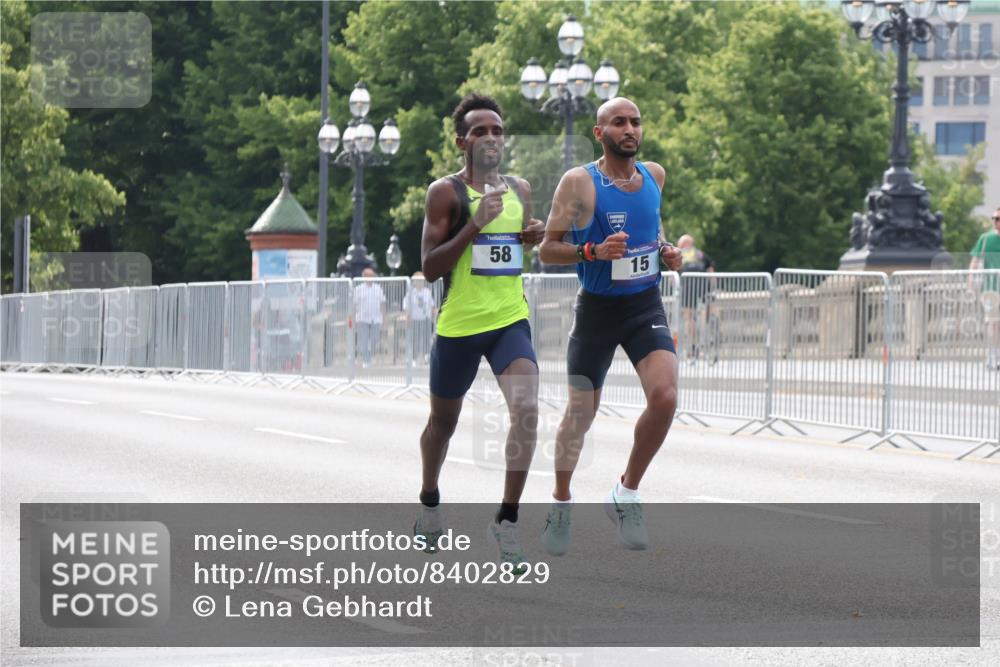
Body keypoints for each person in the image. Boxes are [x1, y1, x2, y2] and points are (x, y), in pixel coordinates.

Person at [538, 97, 683, 555]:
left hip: (644, 305)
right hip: (597, 310)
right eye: (619, 122)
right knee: (580, 414)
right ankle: (560, 504)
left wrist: (665, 252)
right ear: (600, 132)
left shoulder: (654, 176)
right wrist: (591, 252)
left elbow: (651, 231)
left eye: (636, 121)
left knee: (665, 397)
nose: (630, 129)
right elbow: (546, 248)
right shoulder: (580, 182)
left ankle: (626, 494)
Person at [415, 93, 545, 571]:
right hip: (461, 326)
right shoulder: (445, 193)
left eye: (497, 130)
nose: (491, 137)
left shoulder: (521, 188)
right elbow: (430, 268)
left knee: (528, 409)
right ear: (461, 142)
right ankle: (429, 499)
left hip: (509, 320)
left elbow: (514, 250)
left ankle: (507, 522)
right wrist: (475, 224)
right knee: (441, 427)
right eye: (480, 131)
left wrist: (530, 237)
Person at [677, 234, 716, 361]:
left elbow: (674, 274)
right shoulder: (701, 254)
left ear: (683, 245)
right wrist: (713, 290)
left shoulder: (680, 254)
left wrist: (676, 289)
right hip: (703, 288)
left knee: (689, 319)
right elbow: (711, 272)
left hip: (688, 288)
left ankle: (693, 347)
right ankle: (705, 345)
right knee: (704, 318)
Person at [970, 207, 1000, 370]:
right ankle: (992, 356)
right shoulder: (986, 238)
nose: (996, 222)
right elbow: (975, 260)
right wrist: (971, 282)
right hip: (990, 289)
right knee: (992, 323)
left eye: (998, 219)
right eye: (995, 218)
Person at [353, 267, 385, 368]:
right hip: (362, 318)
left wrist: (384, 316)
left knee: (375, 339)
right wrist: (353, 318)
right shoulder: (358, 289)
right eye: (369, 276)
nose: (371, 278)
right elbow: (354, 305)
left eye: (372, 276)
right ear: (364, 277)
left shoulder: (378, 288)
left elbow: (382, 303)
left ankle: (370, 356)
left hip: (375, 318)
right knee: (364, 340)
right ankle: (366, 360)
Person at [404, 271, 437, 364]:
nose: (419, 283)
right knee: (415, 340)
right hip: (415, 319)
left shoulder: (427, 292)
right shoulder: (410, 293)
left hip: (425, 319)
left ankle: (427, 356)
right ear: (414, 282)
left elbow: (432, 305)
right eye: (417, 281)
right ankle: (413, 358)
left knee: (426, 338)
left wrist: (433, 313)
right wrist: (407, 318)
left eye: (421, 281)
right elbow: (407, 307)